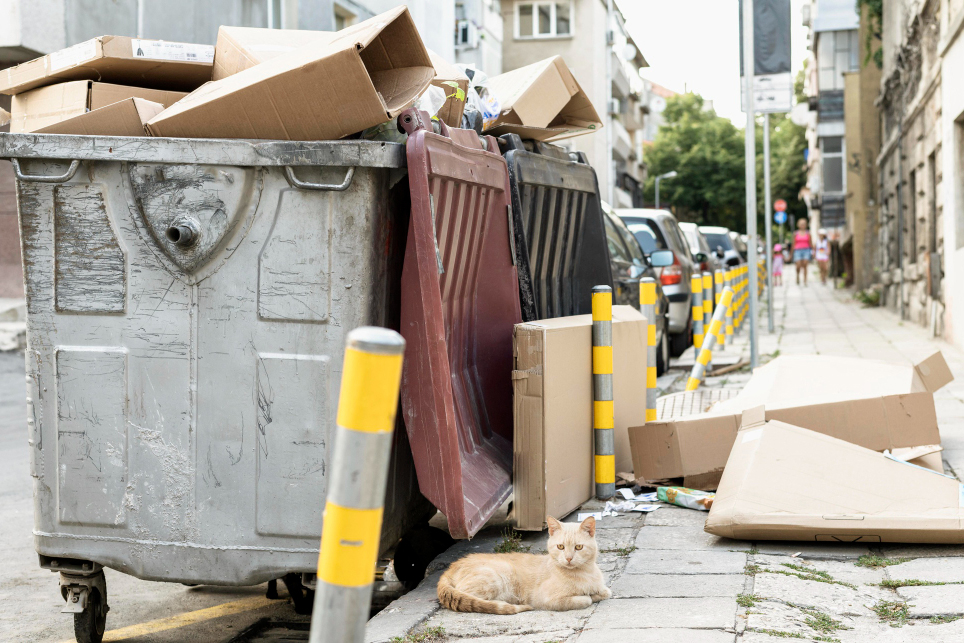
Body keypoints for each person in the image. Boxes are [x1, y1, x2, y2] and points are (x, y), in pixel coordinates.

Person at [792, 218, 813, 286]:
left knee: (805, 265)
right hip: (797, 250)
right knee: (798, 265)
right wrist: (791, 254)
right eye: (801, 224)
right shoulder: (795, 233)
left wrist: (814, 252)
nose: (802, 226)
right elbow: (793, 244)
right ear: (798, 225)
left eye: (804, 224)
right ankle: (797, 275)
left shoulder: (808, 233)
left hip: (806, 250)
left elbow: (810, 243)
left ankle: (805, 280)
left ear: (806, 225)